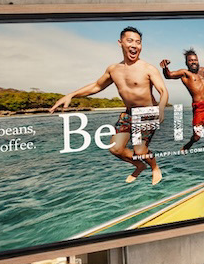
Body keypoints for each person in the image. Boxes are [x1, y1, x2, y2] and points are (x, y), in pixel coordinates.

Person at [50, 26, 167, 185]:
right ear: (120, 43)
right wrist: (71, 94)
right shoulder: (113, 69)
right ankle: (139, 166)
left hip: (147, 114)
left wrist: (161, 108)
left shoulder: (148, 69)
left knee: (140, 150)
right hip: (129, 113)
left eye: (138, 42)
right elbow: (96, 86)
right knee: (115, 149)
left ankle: (154, 168)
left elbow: (163, 91)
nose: (134, 45)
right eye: (130, 41)